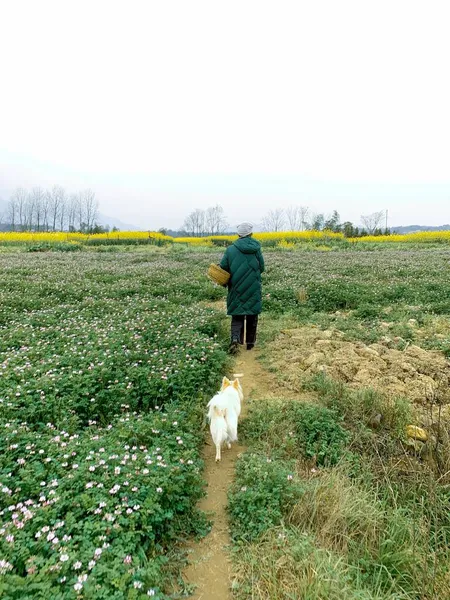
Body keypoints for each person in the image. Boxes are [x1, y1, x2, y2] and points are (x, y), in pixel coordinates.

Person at [219, 222, 265, 353]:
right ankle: (250, 343)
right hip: (253, 287)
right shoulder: (256, 248)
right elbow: (262, 267)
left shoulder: (231, 249)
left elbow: (223, 268)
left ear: (238, 234)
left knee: (237, 314)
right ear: (251, 233)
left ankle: (235, 339)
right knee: (252, 314)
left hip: (236, 287)